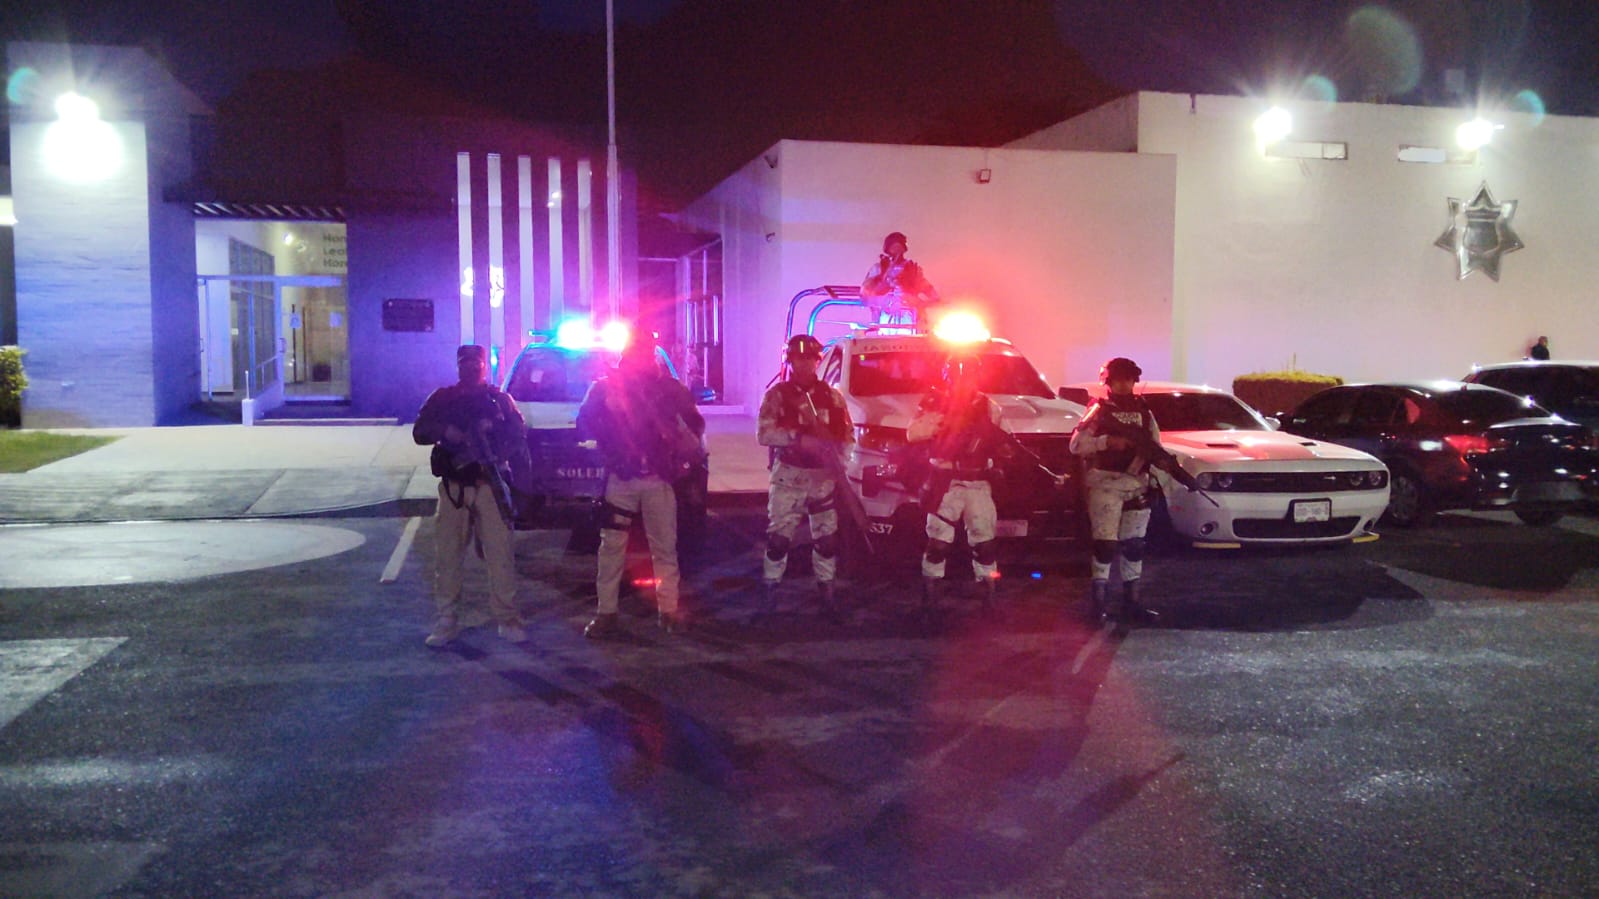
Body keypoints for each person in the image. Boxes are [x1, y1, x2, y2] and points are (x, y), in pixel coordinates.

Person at [577, 334, 706, 638]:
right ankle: (607, 613)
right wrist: (609, 424)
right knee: (613, 547)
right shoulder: (606, 388)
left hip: (657, 476)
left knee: (662, 547)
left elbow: (694, 429)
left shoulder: (669, 389)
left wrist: (674, 434)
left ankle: (667, 611)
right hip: (623, 476)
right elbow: (584, 423)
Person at [413, 344, 530, 647]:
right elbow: (420, 431)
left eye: (476, 363)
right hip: (455, 487)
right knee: (448, 556)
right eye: (466, 363)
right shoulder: (443, 398)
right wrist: (447, 432)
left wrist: (493, 436)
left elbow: (518, 434)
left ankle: (507, 618)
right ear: (458, 365)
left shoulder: (499, 400)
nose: (471, 368)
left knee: (500, 555)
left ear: (484, 365)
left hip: (489, 484)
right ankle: (447, 619)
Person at [756, 334, 855, 620]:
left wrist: (840, 464)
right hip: (789, 476)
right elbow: (764, 433)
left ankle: (827, 597)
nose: (804, 364)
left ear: (816, 361)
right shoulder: (777, 395)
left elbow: (847, 436)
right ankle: (769, 596)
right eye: (798, 359)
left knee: (826, 541)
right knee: (779, 540)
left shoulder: (832, 397)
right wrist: (797, 439)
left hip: (822, 478)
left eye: (809, 359)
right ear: (790, 361)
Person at [906, 347, 1011, 616]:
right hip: (946, 483)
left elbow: (1006, 442)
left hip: (977, 482)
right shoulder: (935, 403)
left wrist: (996, 448)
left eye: (969, 375)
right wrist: (946, 421)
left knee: (985, 544)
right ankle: (930, 599)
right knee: (937, 544)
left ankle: (989, 597)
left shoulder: (989, 407)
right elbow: (913, 433)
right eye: (957, 374)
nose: (963, 380)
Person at [1069, 356, 1162, 625]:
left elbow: (1156, 446)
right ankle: (1098, 606)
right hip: (1105, 483)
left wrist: (1157, 475)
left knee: (1134, 546)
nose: (1124, 384)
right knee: (1105, 546)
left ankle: (1131, 604)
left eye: (1128, 379)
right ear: (1109, 382)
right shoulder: (1098, 411)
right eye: (1118, 380)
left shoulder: (1144, 410)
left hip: (1136, 483)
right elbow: (1076, 445)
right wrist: (1107, 442)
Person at [861, 231, 941, 326]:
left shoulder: (912, 269)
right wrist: (881, 280)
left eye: (899, 247)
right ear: (887, 249)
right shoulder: (878, 268)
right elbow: (865, 294)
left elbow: (930, 292)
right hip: (885, 316)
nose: (897, 251)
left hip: (909, 316)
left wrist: (922, 302)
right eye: (893, 247)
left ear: (904, 249)